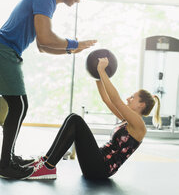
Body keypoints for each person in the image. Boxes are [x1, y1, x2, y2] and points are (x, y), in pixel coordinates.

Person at [0, 0, 97, 179]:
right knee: (18, 105)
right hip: (4, 50)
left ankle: (8, 158)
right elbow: (45, 37)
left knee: (18, 105)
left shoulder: (45, 1)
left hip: (8, 51)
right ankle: (5, 164)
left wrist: (71, 50)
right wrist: (74, 43)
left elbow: (43, 46)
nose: (79, 0)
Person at [27, 57, 161, 180]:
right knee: (72, 117)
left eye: (132, 97)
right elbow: (107, 100)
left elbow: (116, 100)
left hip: (100, 169)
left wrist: (102, 71)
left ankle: (48, 167)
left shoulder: (139, 125)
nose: (128, 98)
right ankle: (46, 161)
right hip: (97, 161)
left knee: (75, 120)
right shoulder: (127, 120)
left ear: (141, 105)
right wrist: (96, 75)